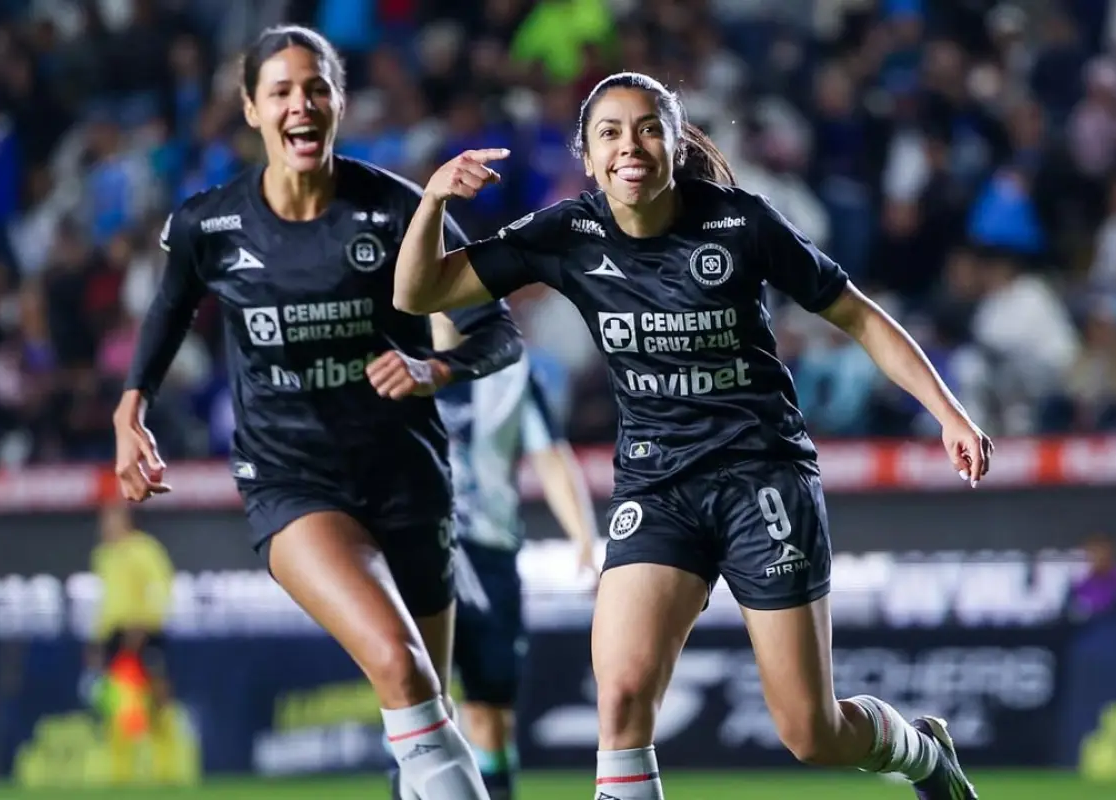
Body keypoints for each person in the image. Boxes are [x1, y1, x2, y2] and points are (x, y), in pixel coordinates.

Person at [393, 71, 994, 800]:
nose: (630, 146)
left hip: (762, 479)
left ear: (676, 144)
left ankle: (923, 755)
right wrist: (431, 203)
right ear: (586, 155)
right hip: (657, 486)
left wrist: (948, 412)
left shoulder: (741, 223)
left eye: (648, 128)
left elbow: (859, 315)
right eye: (609, 132)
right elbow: (417, 295)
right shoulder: (565, 235)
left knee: (811, 732)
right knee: (619, 702)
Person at [112, 26, 523, 800]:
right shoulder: (212, 225)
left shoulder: (397, 209)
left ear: (337, 103)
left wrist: (434, 366)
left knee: (425, 707)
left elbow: (497, 331)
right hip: (294, 482)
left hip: (409, 479)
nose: (300, 103)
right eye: (281, 91)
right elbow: (169, 310)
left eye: (316, 88)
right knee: (402, 668)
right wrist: (131, 409)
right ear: (250, 109)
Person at [403, 315, 600, 800]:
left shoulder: (509, 368)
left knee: (490, 714)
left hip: (488, 553)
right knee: (413, 705)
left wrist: (583, 541)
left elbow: (549, 454)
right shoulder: (394, 357)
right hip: (414, 550)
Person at [80, 502, 180, 783]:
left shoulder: (145, 549)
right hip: (114, 636)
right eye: (104, 521)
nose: (106, 527)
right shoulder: (103, 556)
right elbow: (105, 601)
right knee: (120, 706)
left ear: (127, 521)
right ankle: (120, 774)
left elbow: (161, 587)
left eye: (112, 519)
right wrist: (97, 641)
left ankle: (169, 772)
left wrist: (145, 622)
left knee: (159, 702)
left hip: (145, 632)